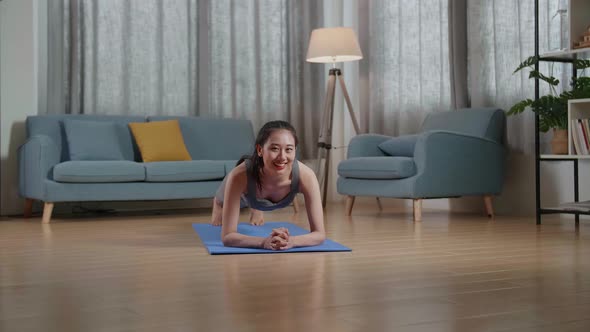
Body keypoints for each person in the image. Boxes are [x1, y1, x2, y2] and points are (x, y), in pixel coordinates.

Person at [211, 120, 325, 250]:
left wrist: (291, 241)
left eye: (289, 149)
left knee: (254, 197)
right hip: (248, 191)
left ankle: (257, 209)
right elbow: (227, 237)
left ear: (295, 150)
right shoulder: (239, 175)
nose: (282, 157)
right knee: (225, 192)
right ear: (260, 150)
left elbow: (319, 234)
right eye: (274, 148)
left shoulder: (307, 176)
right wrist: (263, 242)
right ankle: (219, 204)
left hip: (259, 190)